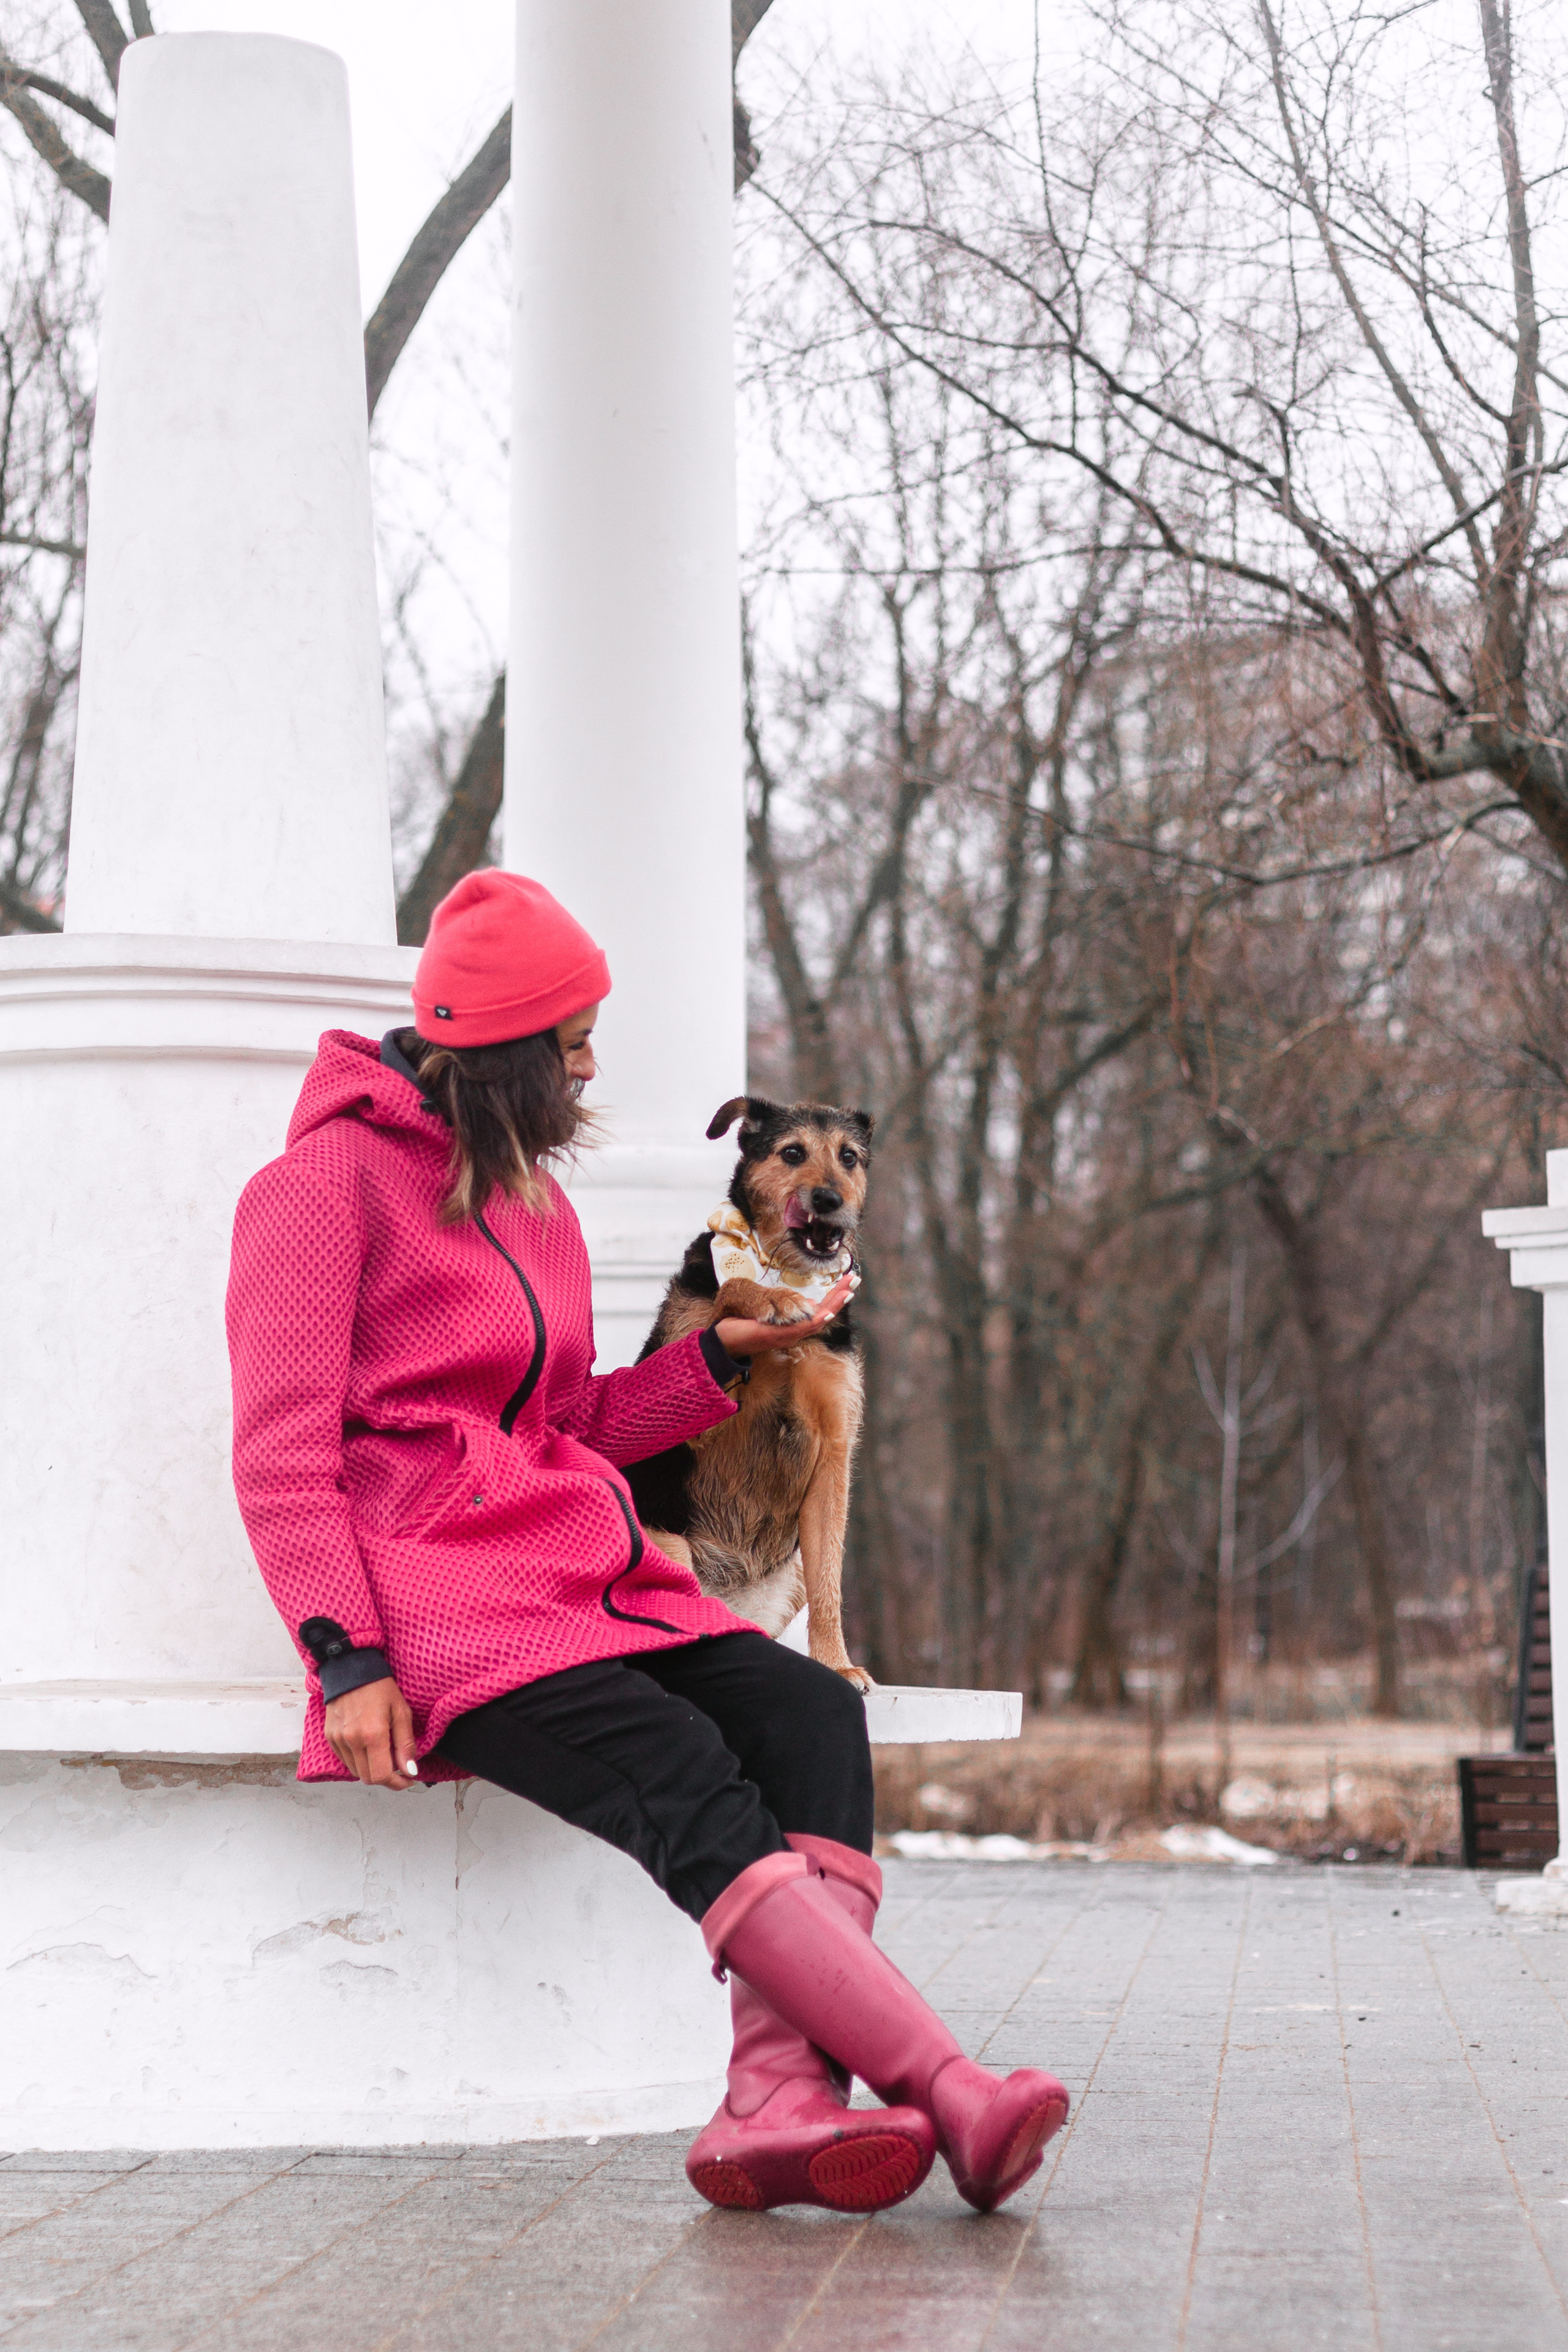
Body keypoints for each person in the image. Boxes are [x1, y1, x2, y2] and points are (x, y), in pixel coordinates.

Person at [227, 869, 1068, 2216]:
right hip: (440, 1605)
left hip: (569, 1575)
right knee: (681, 1764)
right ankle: (947, 2088)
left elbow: (567, 1419)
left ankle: (775, 2104)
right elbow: (280, 1457)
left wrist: (717, 1358)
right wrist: (345, 1654)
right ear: (499, 1051)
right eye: (570, 1041)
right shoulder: (318, 1192)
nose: (588, 1065)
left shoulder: (535, 1207)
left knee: (803, 1713)